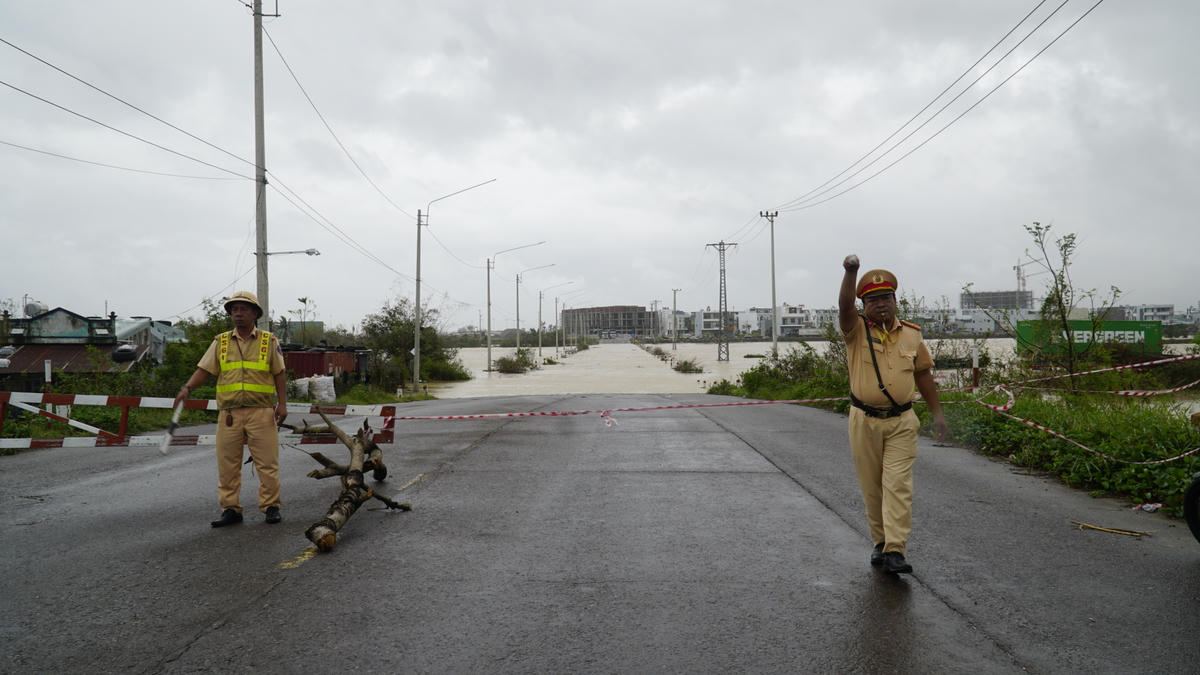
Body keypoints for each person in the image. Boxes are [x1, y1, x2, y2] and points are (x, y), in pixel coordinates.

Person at [838, 255, 946, 574]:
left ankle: (896, 549)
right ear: (864, 306)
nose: (881, 305)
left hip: (902, 420)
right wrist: (850, 272)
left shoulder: (912, 335)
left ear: (895, 301)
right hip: (863, 420)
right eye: (873, 300)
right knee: (873, 487)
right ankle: (880, 543)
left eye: (886, 298)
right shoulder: (855, 330)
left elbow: (923, 375)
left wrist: (937, 412)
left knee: (898, 484)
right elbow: (844, 306)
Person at [174, 290, 288, 527]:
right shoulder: (221, 342)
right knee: (228, 465)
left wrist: (283, 405)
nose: (238, 314)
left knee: (267, 463)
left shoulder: (269, 341)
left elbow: (279, 373)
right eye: (234, 310)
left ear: (255, 313)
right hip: (230, 414)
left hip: (262, 412)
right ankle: (231, 509)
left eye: (243, 309)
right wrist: (187, 388)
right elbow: (204, 370)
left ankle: (271, 506)